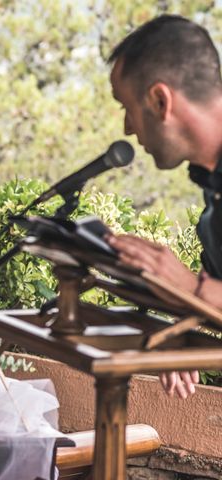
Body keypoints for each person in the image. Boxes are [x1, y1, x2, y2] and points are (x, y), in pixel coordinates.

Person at [106, 14, 222, 399]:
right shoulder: (212, 186)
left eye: (127, 107)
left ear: (160, 100)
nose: (126, 128)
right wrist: (181, 333)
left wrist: (189, 286)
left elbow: (205, 291)